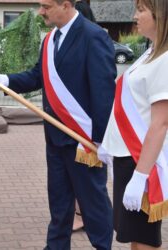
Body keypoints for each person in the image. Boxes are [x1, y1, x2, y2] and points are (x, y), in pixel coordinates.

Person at [0, 0, 116, 249]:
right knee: (59, 203)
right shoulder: (50, 39)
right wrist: (6, 80)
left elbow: (103, 92)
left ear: (66, 5)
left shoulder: (93, 36)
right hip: (55, 138)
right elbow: (38, 76)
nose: (40, 11)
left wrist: (102, 138)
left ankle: (103, 246)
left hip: (84, 141)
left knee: (93, 205)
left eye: (46, 6)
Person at [100, 0, 168, 249]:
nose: (134, 15)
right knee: (134, 237)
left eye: (141, 10)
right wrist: (108, 144)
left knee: (143, 239)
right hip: (128, 157)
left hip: (142, 160)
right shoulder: (150, 54)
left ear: (160, 15)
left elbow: (160, 123)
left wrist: (140, 176)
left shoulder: (165, 59)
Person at [73, 0, 96, 233]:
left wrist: (98, 134)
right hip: (66, 124)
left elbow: (101, 88)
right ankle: (76, 213)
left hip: (86, 124)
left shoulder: (94, 39)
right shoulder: (55, 40)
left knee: (88, 181)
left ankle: (83, 215)